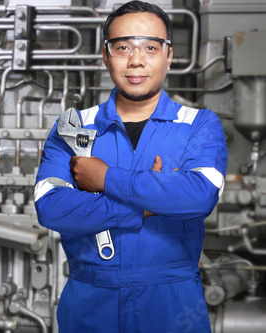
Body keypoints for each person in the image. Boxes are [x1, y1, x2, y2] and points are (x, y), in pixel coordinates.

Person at [34, 1, 228, 332]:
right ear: (105, 54)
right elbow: (52, 208)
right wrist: (146, 205)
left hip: (172, 303)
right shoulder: (75, 127)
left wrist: (105, 177)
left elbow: (198, 196)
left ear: (169, 56)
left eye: (150, 47)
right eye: (123, 47)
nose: (136, 59)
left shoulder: (199, 125)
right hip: (91, 303)